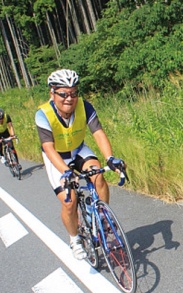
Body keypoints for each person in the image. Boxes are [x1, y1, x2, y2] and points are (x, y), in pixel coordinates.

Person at [35, 68, 126, 260]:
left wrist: (110, 158)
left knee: (98, 174)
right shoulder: (43, 114)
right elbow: (49, 148)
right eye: (63, 94)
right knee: (70, 200)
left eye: (74, 93)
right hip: (57, 158)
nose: (69, 98)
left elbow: (98, 133)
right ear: (52, 93)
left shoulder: (85, 107)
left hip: (78, 150)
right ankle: (74, 238)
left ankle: (103, 218)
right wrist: (66, 172)